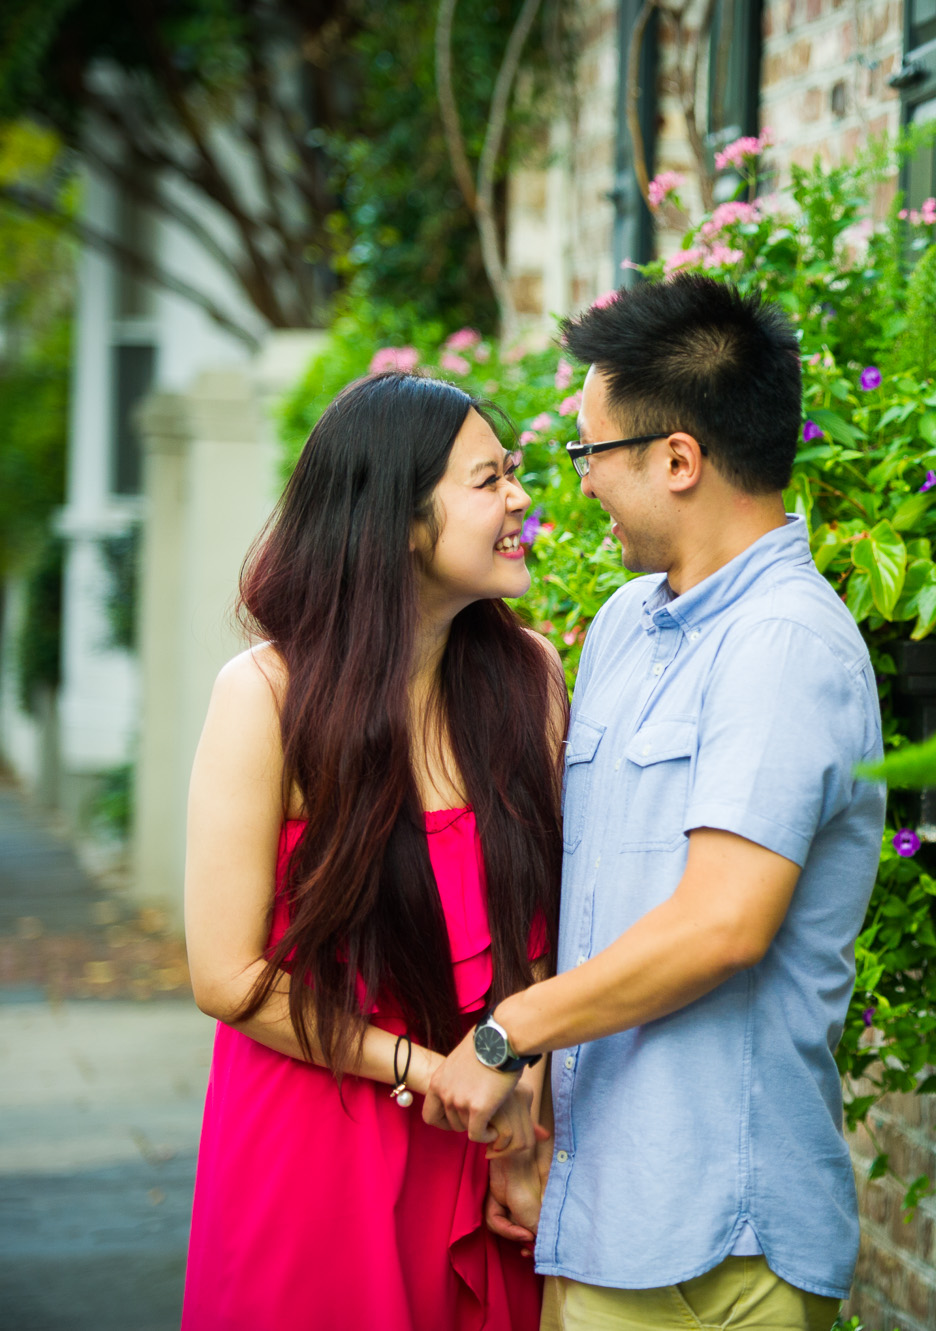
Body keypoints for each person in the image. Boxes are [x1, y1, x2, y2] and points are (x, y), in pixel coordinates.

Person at [425, 274, 886, 1331]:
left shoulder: (783, 645)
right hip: (606, 1214)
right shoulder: (632, 623)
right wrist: (539, 1115)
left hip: (719, 1241)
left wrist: (505, 1036)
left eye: (588, 454)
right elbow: (603, 896)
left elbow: (720, 923)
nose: (574, 484)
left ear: (678, 459)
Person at [182, 372, 564, 1331]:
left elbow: (554, 933)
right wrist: (434, 1069)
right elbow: (225, 976)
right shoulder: (266, 695)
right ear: (398, 520)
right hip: (319, 1131)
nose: (520, 499)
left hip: (485, 1127)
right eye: (489, 480)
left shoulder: (533, 679)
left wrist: (521, 1111)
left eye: (512, 473)